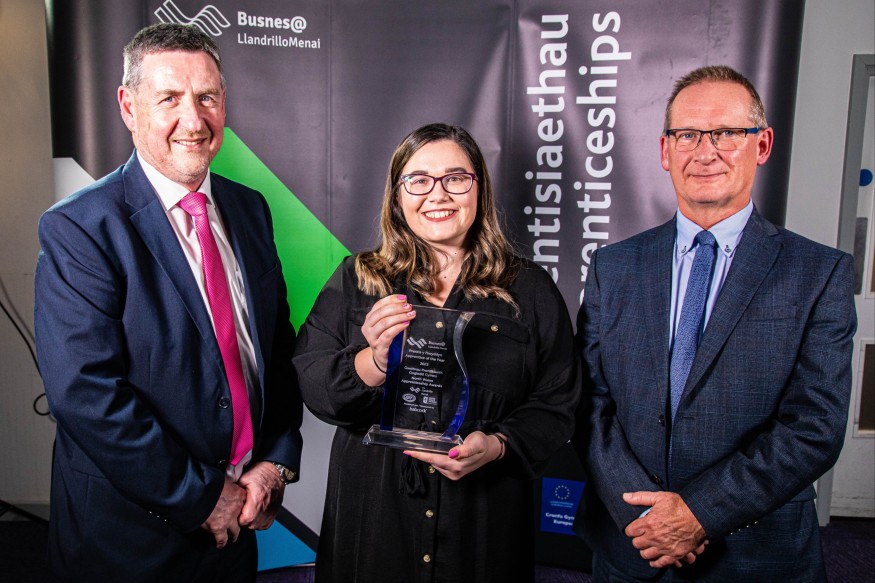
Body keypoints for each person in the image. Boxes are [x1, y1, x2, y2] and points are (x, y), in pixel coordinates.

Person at [34, 23, 303, 582]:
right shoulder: (80, 228)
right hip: (128, 539)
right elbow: (85, 393)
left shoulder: (250, 210)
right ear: (128, 107)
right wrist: (203, 496)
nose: (194, 120)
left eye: (206, 97)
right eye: (169, 99)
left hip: (238, 524)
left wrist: (274, 463)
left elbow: (275, 351)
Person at [573, 65, 857, 581]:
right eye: (687, 135)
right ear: (665, 151)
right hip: (631, 545)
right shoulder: (613, 266)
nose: (705, 152)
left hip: (755, 553)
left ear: (762, 145)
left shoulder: (819, 273)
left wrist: (699, 514)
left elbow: (815, 425)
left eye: (726, 132)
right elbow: (589, 400)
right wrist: (646, 518)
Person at [292, 123, 580, 582]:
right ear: (397, 195)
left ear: (479, 189)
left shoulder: (530, 289)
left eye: (455, 178)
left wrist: (499, 445)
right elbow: (315, 386)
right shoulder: (357, 279)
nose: (438, 194)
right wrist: (376, 360)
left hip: (482, 523)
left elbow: (557, 402)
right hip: (374, 520)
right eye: (419, 180)